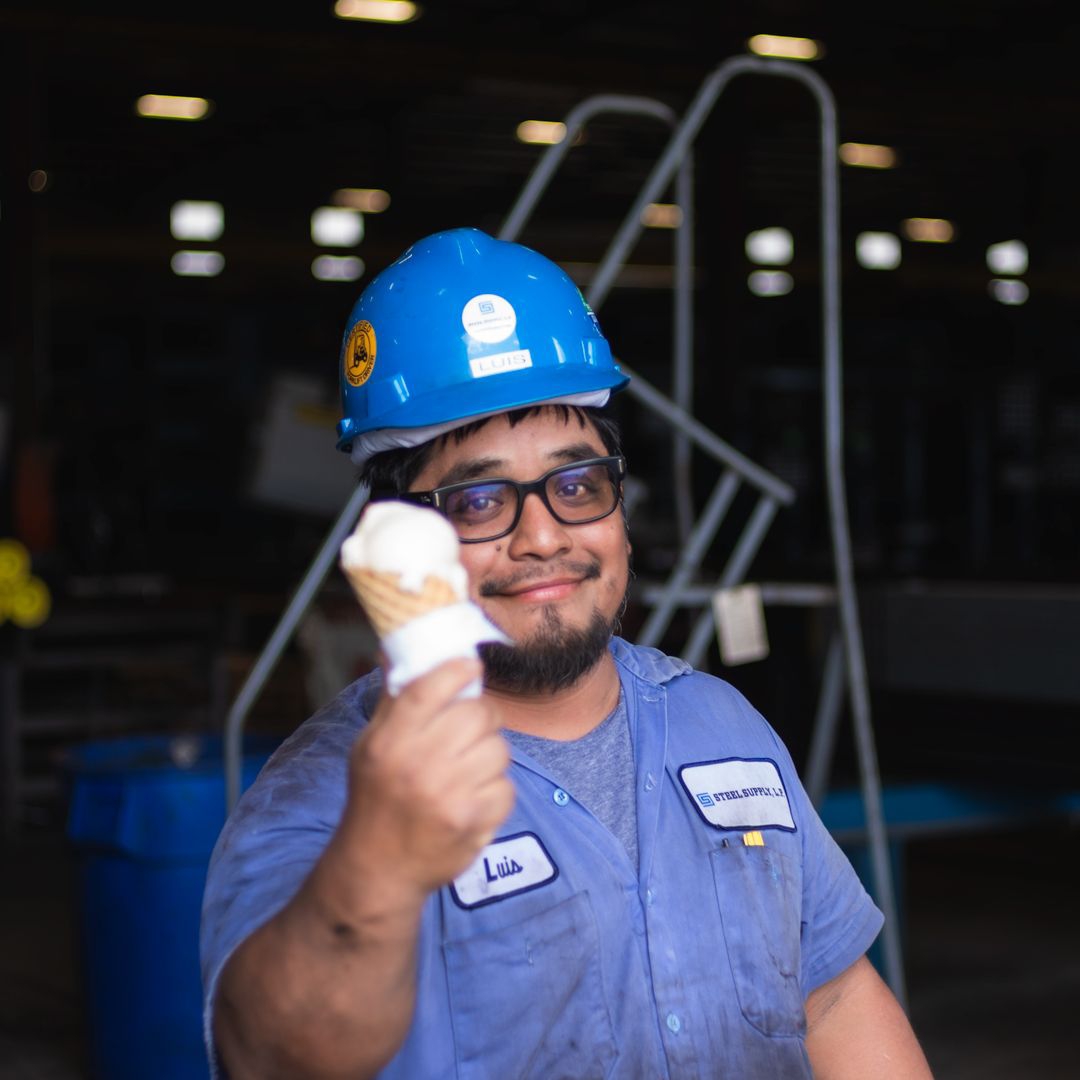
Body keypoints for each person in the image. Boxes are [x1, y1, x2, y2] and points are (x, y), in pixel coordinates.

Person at [201, 227, 933, 1079]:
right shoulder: (326, 794)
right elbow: (276, 1060)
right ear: (399, 540)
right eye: (479, 501)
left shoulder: (718, 725)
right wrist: (378, 865)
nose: (543, 536)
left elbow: (834, 1000)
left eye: (576, 485)